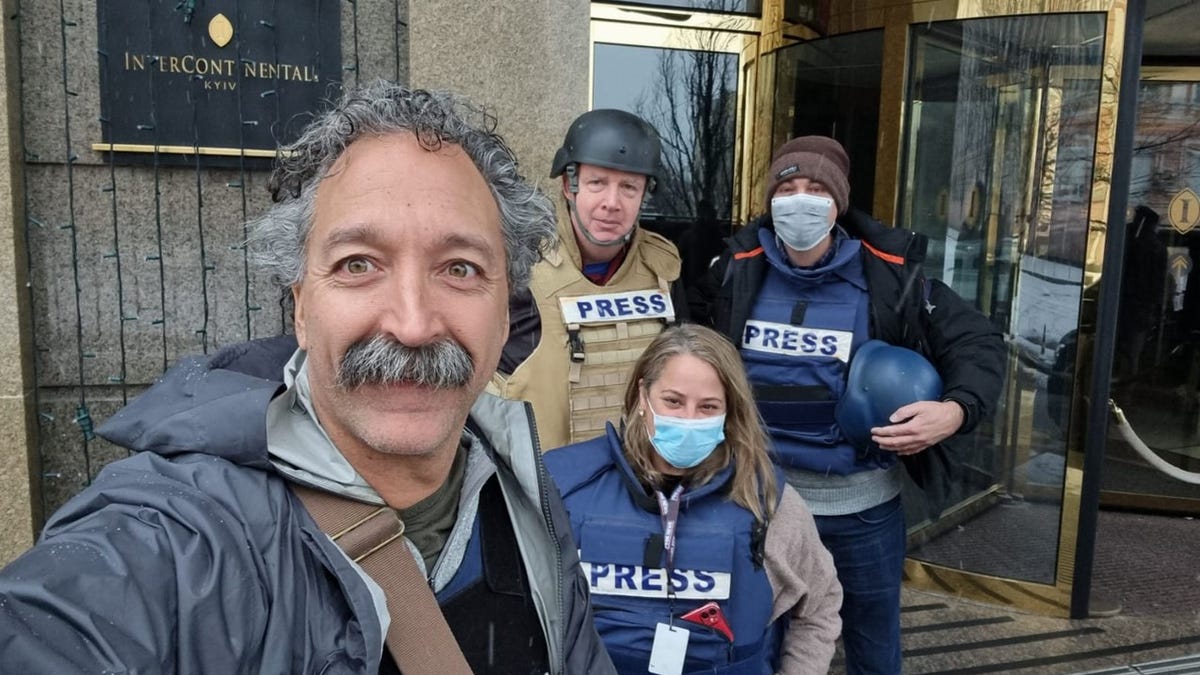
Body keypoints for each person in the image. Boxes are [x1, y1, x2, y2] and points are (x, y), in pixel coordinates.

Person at [0, 82, 614, 674]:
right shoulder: (176, 539)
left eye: (459, 267)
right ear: (300, 306)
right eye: (357, 264)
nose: (413, 323)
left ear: (506, 310)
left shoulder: (524, 489)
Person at [692, 136, 1005, 674]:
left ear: (838, 203)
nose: (800, 200)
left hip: (861, 514)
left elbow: (978, 344)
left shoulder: (890, 277)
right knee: (759, 643)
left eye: (815, 188)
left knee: (873, 650)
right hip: (758, 505)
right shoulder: (733, 274)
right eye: (787, 188)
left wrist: (953, 411)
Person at [543, 324, 843, 675]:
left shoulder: (765, 501)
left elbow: (820, 603)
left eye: (708, 407)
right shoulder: (564, 485)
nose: (688, 419)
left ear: (729, 412)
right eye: (673, 401)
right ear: (643, 395)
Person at [494, 108, 686, 449]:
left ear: (644, 195)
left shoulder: (663, 269)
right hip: (538, 479)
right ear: (570, 185)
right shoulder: (520, 264)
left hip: (634, 473)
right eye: (597, 183)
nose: (612, 203)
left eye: (629, 187)